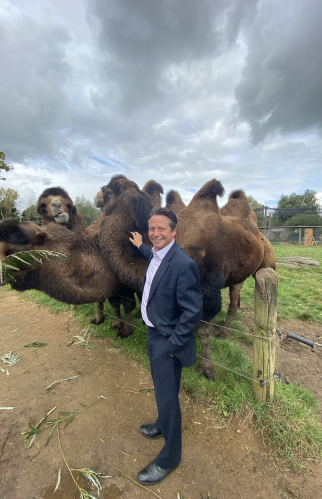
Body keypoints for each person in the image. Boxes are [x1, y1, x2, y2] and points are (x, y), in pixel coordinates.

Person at [129, 207, 203, 486]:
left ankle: (170, 457)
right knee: (163, 391)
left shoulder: (184, 264)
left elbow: (192, 312)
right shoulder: (158, 254)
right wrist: (141, 247)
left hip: (167, 340)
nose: (155, 233)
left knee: (167, 397)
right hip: (154, 333)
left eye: (162, 229)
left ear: (174, 232)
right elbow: (153, 256)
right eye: (152, 229)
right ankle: (161, 426)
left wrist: (172, 346)